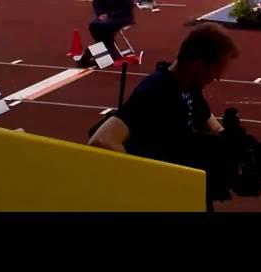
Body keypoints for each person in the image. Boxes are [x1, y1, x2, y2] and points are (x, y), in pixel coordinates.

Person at [89, 23, 242, 198]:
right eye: (217, 71)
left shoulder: (189, 87)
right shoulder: (156, 92)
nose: (217, 78)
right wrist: (151, 181)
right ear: (199, 65)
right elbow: (102, 140)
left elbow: (215, 129)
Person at [78, 0, 134, 66]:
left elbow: (127, 7)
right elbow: (96, 3)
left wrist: (109, 15)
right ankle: (108, 49)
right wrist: (101, 13)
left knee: (103, 26)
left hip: (122, 16)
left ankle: (109, 50)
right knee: (93, 25)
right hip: (105, 15)